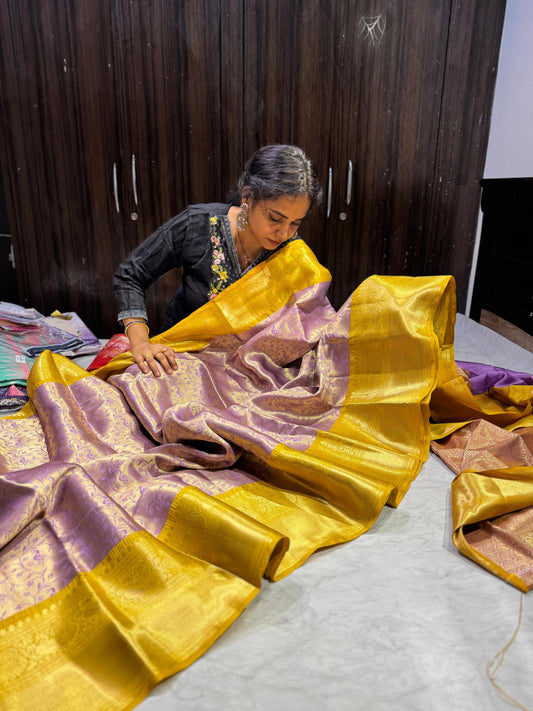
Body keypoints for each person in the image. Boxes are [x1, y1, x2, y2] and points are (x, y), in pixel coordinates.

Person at [113, 144, 323, 376]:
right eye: (275, 218)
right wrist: (141, 343)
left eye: (295, 223)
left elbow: (309, 322)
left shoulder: (293, 255)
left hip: (248, 370)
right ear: (247, 198)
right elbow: (130, 275)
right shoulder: (198, 224)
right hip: (179, 358)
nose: (284, 233)